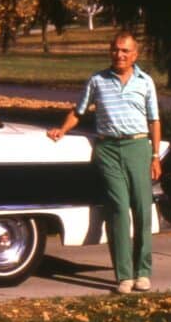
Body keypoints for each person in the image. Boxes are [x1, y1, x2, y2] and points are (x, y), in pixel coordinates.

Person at [47, 32, 162, 294]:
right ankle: (124, 275)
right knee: (119, 208)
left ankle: (142, 272)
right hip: (108, 149)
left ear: (135, 54)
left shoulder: (145, 82)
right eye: (115, 50)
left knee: (142, 209)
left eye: (124, 51)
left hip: (138, 146)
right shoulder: (97, 80)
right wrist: (62, 130)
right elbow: (78, 111)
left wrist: (155, 156)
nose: (119, 55)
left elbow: (154, 121)